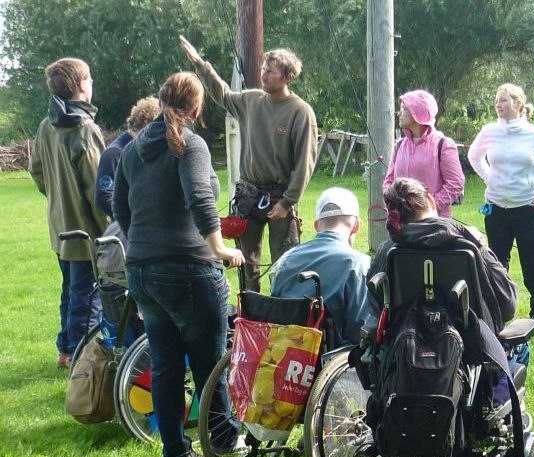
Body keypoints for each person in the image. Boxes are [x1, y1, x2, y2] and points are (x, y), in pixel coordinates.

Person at [113, 72, 246, 457]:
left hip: (141, 271)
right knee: (210, 360)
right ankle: (224, 439)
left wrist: (144, 241)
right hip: (187, 268)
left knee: (167, 363)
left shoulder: (133, 150)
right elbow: (200, 198)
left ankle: (175, 453)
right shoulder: (190, 144)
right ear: (197, 108)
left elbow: (120, 209)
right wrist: (221, 248)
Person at [180, 36, 318, 293]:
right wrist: (200, 64)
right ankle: (250, 316)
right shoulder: (251, 100)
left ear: (287, 76)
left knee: (284, 265)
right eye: (263, 68)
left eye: (271, 71)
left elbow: (305, 163)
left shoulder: (300, 112)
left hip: (280, 199)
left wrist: (287, 203)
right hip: (248, 196)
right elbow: (222, 93)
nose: (264, 74)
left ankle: (282, 316)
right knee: (246, 264)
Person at [29, 57, 108, 368]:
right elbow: (98, 190)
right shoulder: (84, 129)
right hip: (86, 232)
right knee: (87, 298)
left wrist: (58, 200)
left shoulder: (46, 125)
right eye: (88, 79)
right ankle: (81, 360)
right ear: (79, 86)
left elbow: (36, 172)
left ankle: (65, 351)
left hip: (59, 227)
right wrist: (110, 230)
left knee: (70, 291)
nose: (91, 84)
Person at [370, 177, 517, 334]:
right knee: (521, 349)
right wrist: (483, 247)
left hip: (404, 351)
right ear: (430, 200)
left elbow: (375, 309)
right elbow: (508, 307)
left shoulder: (386, 251)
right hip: (472, 349)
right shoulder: (471, 244)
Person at [467, 83, 534, 320]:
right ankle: (498, 310)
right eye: (497, 101)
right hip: (496, 208)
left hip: (528, 209)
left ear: (518, 104)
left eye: (503, 100)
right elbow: (474, 157)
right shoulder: (489, 130)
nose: (498, 105)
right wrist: (490, 178)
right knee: (497, 261)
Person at [269, 187, 371, 347]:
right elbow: (360, 330)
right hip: (333, 360)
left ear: (317, 225)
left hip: (281, 353)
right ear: (356, 225)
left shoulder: (285, 259)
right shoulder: (359, 264)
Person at [383, 90, 464, 218]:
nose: (399, 114)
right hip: (401, 223)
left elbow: (456, 182)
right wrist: (392, 204)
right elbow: (389, 181)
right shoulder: (398, 146)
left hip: (433, 223)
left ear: (418, 112)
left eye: (404, 109)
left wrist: (428, 207)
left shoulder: (443, 144)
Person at [95, 96, 160, 219]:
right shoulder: (113, 154)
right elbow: (103, 196)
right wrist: (133, 220)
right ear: (149, 126)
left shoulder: (140, 150)